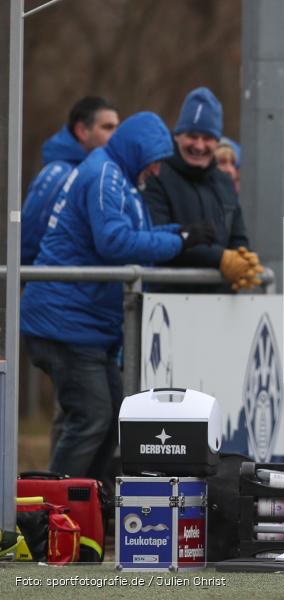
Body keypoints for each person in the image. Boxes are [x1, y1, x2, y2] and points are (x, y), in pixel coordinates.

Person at [20, 112, 216, 481]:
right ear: (140, 154)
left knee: (113, 420)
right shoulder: (104, 176)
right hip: (64, 324)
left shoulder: (118, 177)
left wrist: (180, 232)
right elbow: (114, 242)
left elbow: (135, 234)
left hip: (84, 326)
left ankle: (87, 507)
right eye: (155, 163)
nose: (157, 172)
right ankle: (49, 514)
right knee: (92, 417)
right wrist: (182, 241)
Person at [143, 88, 261, 293]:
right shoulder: (156, 175)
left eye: (207, 138)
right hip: (168, 307)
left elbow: (238, 236)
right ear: (178, 136)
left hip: (221, 305)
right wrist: (220, 259)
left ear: (217, 141)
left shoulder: (224, 182)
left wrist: (245, 260)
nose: (199, 146)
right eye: (192, 136)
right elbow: (159, 239)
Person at [21, 96, 119, 265]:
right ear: (82, 131)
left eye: (117, 128)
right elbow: (27, 236)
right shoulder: (58, 174)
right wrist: (26, 278)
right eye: (107, 127)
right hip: (51, 282)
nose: (115, 135)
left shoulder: (103, 172)